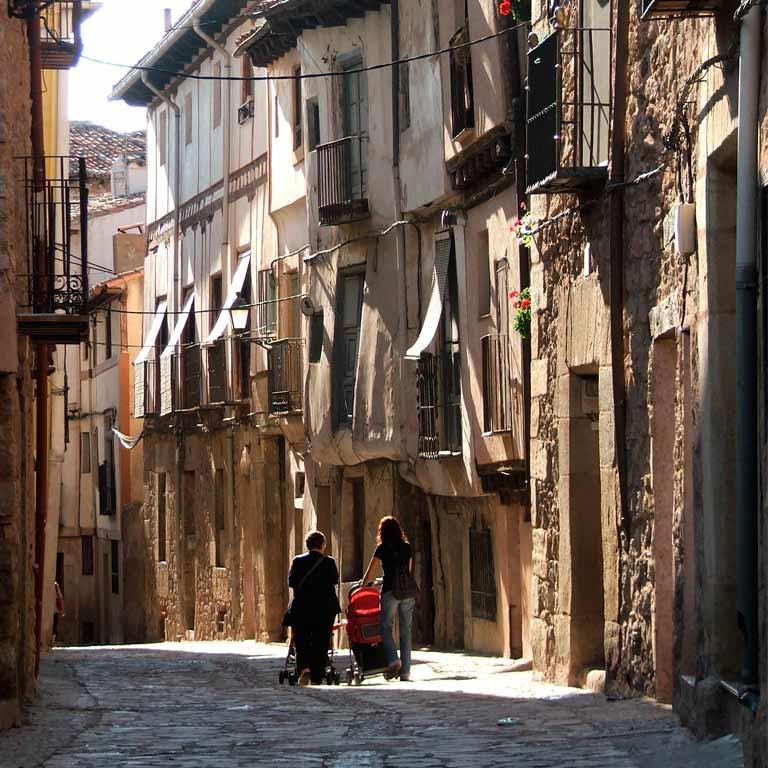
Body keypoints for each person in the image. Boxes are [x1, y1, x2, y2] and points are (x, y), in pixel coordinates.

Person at [360, 516, 415, 682]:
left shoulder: (382, 548)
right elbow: (408, 572)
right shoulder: (407, 547)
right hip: (407, 592)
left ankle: (393, 659)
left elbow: (370, 571)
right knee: (406, 631)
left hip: (390, 591)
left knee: (385, 628)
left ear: (382, 532)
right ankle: (405, 671)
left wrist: (364, 585)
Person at [287, 530, 341, 686]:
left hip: (302, 607)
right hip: (324, 608)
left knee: (302, 638)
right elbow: (334, 580)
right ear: (323, 545)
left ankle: (304, 669)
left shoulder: (297, 561)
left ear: (307, 545)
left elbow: (292, 582)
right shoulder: (329, 562)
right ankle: (317, 674)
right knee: (322, 639)